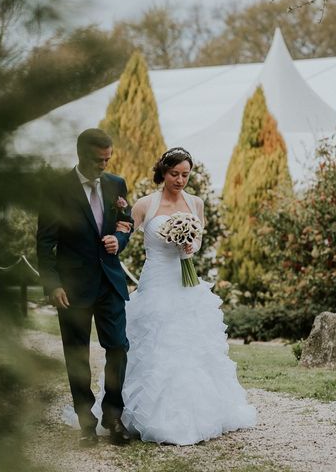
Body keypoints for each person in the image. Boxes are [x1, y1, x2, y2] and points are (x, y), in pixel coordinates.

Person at [95, 147, 256, 445]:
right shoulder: (145, 204)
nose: (180, 180)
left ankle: (196, 413)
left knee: (190, 343)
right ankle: (135, 413)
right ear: (163, 172)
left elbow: (198, 237)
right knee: (153, 342)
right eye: (174, 174)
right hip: (156, 280)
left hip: (185, 281)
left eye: (185, 174)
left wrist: (190, 246)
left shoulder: (196, 204)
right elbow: (124, 231)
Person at [36, 128, 133, 447]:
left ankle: (113, 415)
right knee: (76, 354)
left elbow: (126, 222)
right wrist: (53, 284)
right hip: (72, 288)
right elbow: (45, 241)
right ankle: (85, 421)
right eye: (97, 159)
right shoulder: (56, 188)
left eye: (108, 158)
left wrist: (117, 241)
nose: (104, 164)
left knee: (118, 347)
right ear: (81, 155)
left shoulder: (116, 184)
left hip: (110, 282)